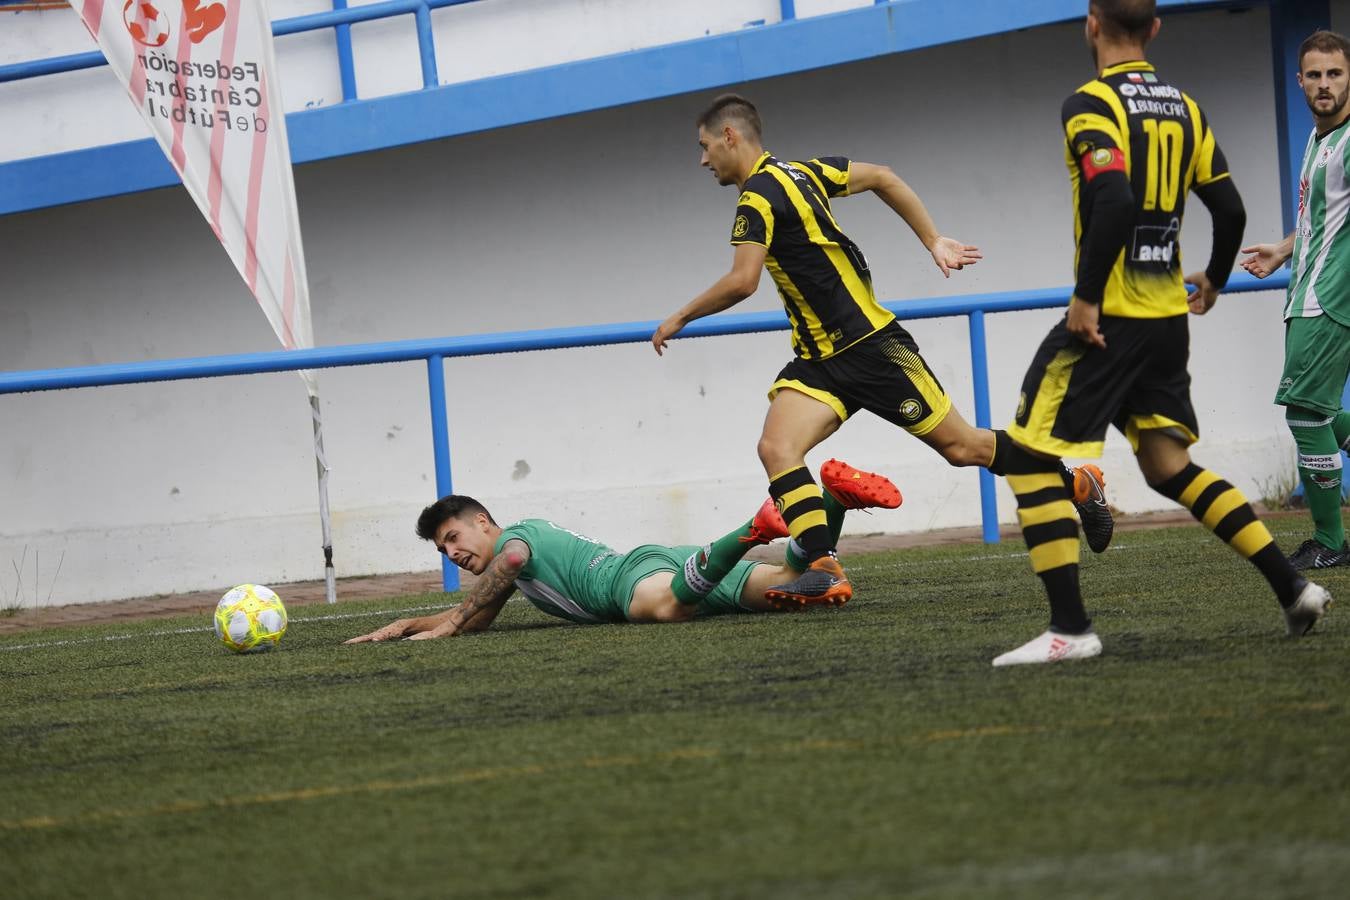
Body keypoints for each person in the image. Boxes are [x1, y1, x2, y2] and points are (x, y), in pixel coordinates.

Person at [650, 93, 1113, 608]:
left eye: (704, 145)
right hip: (821, 361)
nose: (702, 158)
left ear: (730, 136)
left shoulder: (757, 198)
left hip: (874, 348)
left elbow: (743, 281)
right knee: (777, 449)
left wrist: (679, 316)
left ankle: (1076, 479)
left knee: (964, 449)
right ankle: (823, 566)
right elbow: (885, 176)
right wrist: (932, 239)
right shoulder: (806, 172)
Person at [989, 0, 1332, 666]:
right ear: (1155, 29)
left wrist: (1086, 299)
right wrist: (1217, 278)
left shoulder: (1089, 104)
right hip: (1166, 320)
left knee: (1029, 455)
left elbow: (1113, 197)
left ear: (1092, 24)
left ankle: (1070, 627)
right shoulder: (1185, 107)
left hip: (1107, 318)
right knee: (1169, 467)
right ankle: (1293, 588)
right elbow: (1228, 207)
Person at [344, 459, 899, 642]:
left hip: (627, 580)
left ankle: (753, 528)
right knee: (790, 584)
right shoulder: (506, 565)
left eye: (453, 539)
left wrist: (453, 619)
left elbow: (507, 565)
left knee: (665, 609)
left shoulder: (517, 541)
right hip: (672, 564)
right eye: (443, 550)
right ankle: (832, 501)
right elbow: (477, 618)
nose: (452, 554)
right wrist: (410, 623)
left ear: (482, 523)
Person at [1240, 29, 1350, 571]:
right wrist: (1284, 250)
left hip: (1329, 300)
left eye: (1335, 73)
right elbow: (1322, 218)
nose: (1324, 84)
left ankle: (1330, 542)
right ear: (1300, 80)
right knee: (1323, 412)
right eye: (1315, 75)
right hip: (1305, 289)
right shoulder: (1317, 139)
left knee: (1306, 414)